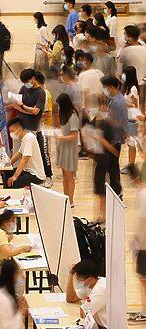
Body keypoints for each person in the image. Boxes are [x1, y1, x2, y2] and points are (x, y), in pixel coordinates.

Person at [7, 69, 52, 186]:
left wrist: (23, 108)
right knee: (17, 152)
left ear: (33, 79)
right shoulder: (24, 88)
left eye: (27, 81)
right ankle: (15, 174)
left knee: (27, 156)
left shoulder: (41, 93)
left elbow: (36, 111)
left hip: (30, 127)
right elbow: (18, 105)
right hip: (20, 125)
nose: (26, 84)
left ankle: (19, 178)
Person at [5, 118, 46, 188]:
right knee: (7, 172)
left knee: (14, 182)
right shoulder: (25, 138)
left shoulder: (29, 138)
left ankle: (13, 195)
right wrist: (7, 165)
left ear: (19, 129)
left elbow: (25, 158)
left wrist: (15, 176)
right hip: (28, 171)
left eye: (12, 131)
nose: (11, 134)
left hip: (35, 175)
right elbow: (18, 154)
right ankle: (7, 192)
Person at [66, 260, 107, 328]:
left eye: (80, 281)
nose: (80, 283)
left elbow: (84, 312)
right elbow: (71, 298)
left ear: (90, 279)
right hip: (97, 325)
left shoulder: (101, 288)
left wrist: (83, 307)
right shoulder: (90, 285)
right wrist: (71, 274)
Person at [55, 94, 79, 206]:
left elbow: (74, 135)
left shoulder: (72, 117)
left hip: (70, 149)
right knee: (64, 174)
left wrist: (61, 137)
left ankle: (71, 200)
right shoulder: (64, 115)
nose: (59, 108)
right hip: (63, 147)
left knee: (69, 175)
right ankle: (66, 198)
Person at [131, 165, 146, 321]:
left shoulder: (143, 195)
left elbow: (143, 221)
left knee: (143, 279)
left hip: (144, 246)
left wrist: (138, 242)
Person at [120, 66, 141, 174]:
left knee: (132, 143)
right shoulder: (128, 88)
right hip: (127, 119)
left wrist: (123, 103)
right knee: (129, 143)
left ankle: (132, 165)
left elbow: (134, 105)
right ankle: (129, 164)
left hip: (131, 119)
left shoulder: (133, 89)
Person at [119, 25, 146, 108]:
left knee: (129, 102)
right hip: (143, 79)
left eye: (125, 34)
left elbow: (120, 65)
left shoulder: (125, 51)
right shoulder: (144, 48)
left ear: (129, 36)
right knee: (141, 103)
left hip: (129, 80)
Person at [78, 53, 104, 127]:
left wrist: (84, 108)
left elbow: (84, 92)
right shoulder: (100, 73)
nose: (81, 62)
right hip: (98, 108)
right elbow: (104, 92)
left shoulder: (83, 75)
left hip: (87, 109)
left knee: (86, 133)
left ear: (87, 61)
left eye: (82, 60)